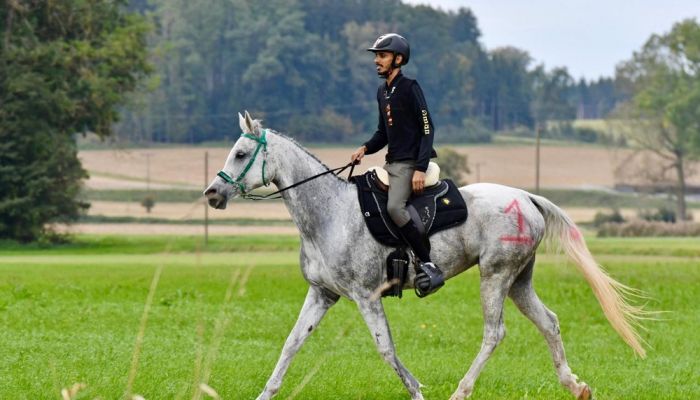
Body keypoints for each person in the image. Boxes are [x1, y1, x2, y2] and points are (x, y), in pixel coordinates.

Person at [350, 33, 444, 297]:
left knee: (394, 207)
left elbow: (428, 129)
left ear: (398, 59)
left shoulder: (410, 87)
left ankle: (428, 264)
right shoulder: (382, 92)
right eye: (376, 56)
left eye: (382, 55)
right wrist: (365, 149)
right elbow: (383, 133)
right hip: (389, 163)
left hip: (409, 164)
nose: (376, 61)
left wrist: (420, 168)